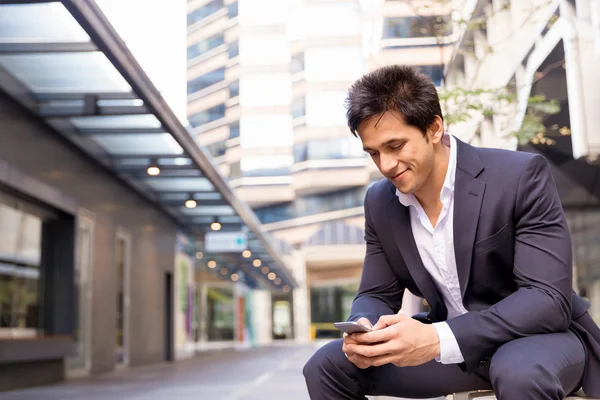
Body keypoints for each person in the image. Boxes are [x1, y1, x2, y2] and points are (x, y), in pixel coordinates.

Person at [302, 65, 600, 400]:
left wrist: (436, 338)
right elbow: (375, 293)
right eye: (374, 152)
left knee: (520, 374)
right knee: (325, 367)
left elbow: (547, 300)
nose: (385, 164)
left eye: (395, 145)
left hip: (535, 340)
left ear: (434, 128)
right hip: (449, 350)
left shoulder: (520, 177)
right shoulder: (380, 202)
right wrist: (365, 331)